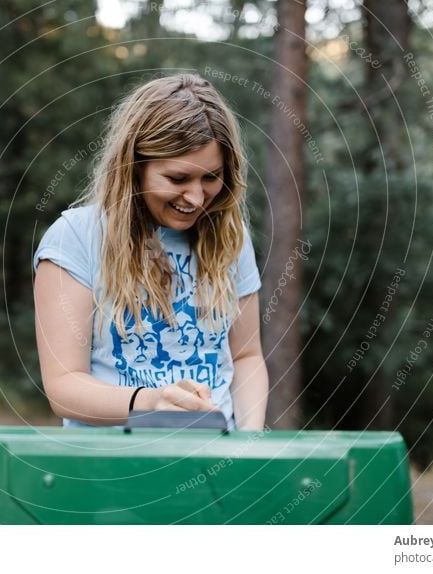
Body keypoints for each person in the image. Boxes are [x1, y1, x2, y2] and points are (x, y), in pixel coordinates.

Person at [32, 73, 268, 431]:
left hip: (215, 466)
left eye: (210, 178)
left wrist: (248, 443)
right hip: (111, 471)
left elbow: (246, 356)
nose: (196, 198)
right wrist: (152, 402)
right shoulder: (75, 238)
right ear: (134, 168)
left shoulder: (231, 239)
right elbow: (64, 386)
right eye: (177, 179)